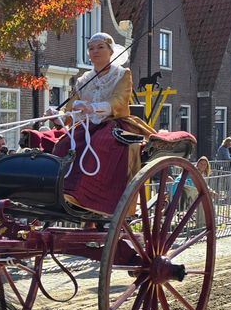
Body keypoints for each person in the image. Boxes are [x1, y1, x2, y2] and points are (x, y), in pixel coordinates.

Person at [29, 32, 156, 215]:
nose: (94, 51)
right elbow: (72, 108)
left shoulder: (122, 74)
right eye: (91, 48)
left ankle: (89, 197)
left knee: (100, 144)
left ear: (111, 51)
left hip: (113, 122)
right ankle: (63, 190)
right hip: (88, 125)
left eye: (100, 47)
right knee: (64, 143)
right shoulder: (83, 79)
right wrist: (59, 116)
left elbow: (120, 101)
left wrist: (94, 107)